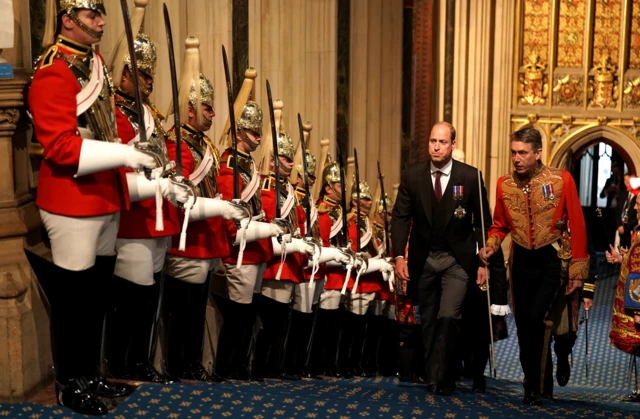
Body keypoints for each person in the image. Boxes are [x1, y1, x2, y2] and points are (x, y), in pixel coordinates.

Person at [25, 0, 160, 415]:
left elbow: (102, 124)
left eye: (101, 14)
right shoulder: (53, 71)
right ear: (67, 20)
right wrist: (124, 155)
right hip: (71, 198)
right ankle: (69, 382)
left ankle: (90, 373)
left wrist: (133, 149)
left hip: (104, 195)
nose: (101, 21)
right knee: (74, 302)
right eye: (92, 16)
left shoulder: (93, 61)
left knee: (97, 296)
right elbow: (62, 148)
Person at [104, 0, 192, 383]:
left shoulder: (150, 116)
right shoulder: (114, 114)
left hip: (159, 216)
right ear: (122, 74)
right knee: (132, 297)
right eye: (140, 73)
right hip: (133, 215)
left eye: (151, 75)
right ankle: (123, 364)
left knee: (149, 298)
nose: (149, 80)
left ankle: (140, 360)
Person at [480, 127, 589, 406]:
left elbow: (576, 222)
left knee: (536, 319)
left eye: (522, 153)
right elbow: (500, 224)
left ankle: (535, 385)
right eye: (513, 152)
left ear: (538, 153)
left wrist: (577, 271)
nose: (516, 158)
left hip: (551, 260)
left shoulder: (561, 180)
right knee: (525, 325)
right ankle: (535, 380)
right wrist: (492, 244)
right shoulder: (504, 184)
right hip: (521, 262)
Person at [392, 121, 492, 396]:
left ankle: (444, 374)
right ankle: (436, 377)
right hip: (423, 260)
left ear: (453, 145)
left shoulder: (470, 177)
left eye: (442, 142)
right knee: (430, 321)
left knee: (449, 315)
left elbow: (483, 223)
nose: (436, 147)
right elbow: (400, 217)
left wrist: (484, 262)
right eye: (433, 141)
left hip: (457, 261)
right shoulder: (413, 176)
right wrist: (399, 256)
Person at [214, 101, 288, 380]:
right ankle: (227, 365)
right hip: (241, 251)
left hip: (256, 251)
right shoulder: (230, 165)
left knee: (248, 315)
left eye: (258, 133)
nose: (258, 138)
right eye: (252, 133)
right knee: (237, 316)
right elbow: (233, 216)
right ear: (239, 133)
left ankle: (240, 363)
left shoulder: (248, 165)